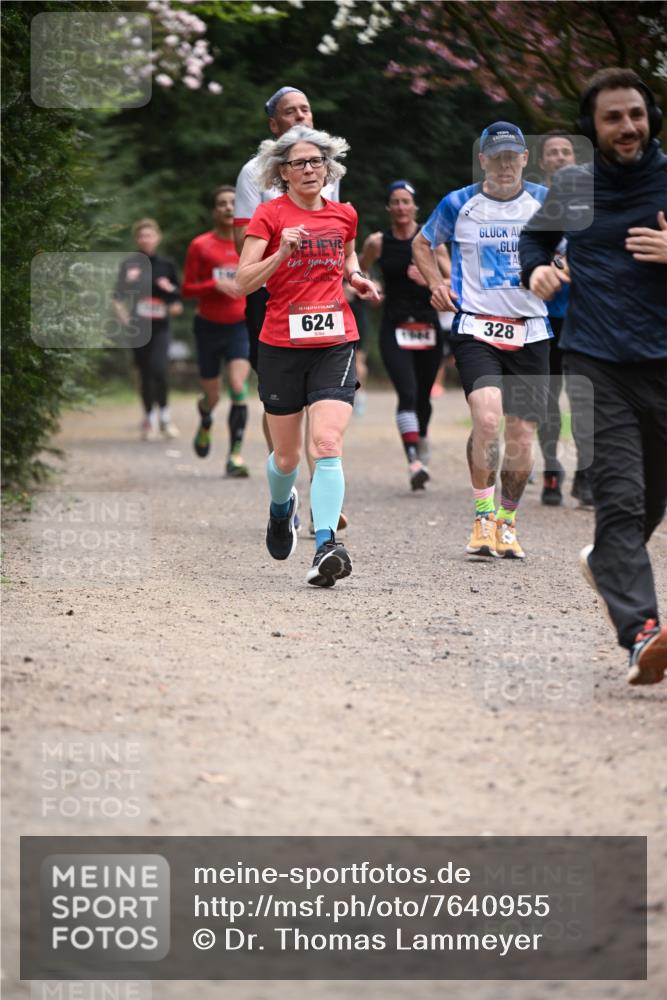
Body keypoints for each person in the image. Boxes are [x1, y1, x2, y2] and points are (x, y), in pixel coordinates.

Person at [520, 67, 667, 685]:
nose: (628, 126)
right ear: (592, 127)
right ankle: (642, 634)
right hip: (595, 358)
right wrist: (537, 273)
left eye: (636, 114)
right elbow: (534, 242)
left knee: (651, 499)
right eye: (613, 117)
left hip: (663, 362)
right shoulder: (575, 186)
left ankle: (607, 561)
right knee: (620, 495)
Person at [236, 125, 380, 587]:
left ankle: (325, 546)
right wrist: (281, 252)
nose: (310, 169)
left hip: (335, 339)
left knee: (326, 445)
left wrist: (356, 278)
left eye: (317, 161)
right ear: (283, 172)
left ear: (328, 168)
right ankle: (282, 510)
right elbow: (244, 281)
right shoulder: (268, 216)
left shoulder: (344, 215)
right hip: (280, 344)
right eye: (299, 163)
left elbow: (349, 258)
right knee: (285, 458)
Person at [412, 122, 552, 559]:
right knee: (488, 420)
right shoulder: (459, 203)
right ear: (484, 160)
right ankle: (483, 518)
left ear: (525, 159)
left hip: (531, 331)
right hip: (476, 327)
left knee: (522, 435)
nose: (506, 164)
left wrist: (560, 270)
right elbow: (421, 242)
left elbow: (579, 250)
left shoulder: (546, 203)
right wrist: (436, 282)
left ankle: (508, 522)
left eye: (514, 156)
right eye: (498, 157)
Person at [234, 85, 347, 530]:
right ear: (273, 125)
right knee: (282, 412)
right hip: (270, 294)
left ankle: (324, 488)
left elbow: (335, 233)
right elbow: (241, 244)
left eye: (306, 108)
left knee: (327, 421)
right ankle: (286, 480)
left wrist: (347, 275)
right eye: (290, 111)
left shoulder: (329, 171)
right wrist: (280, 262)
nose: (301, 115)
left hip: (320, 295)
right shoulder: (252, 174)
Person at [360, 180, 450, 489]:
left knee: (423, 397)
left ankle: (421, 439)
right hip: (394, 327)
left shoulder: (431, 240)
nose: (401, 207)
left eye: (406, 202)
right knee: (408, 393)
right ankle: (413, 460)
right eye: (395, 202)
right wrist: (371, 286)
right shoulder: (377, 242)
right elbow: (358, 271)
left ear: (415, 207)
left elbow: (452, 279)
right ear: (389, 207)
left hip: (427, 326)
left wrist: (429, 281)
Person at [535, 131, 593, 508]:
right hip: (543, 317)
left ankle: (587, 476)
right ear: (543, 162)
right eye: (552, 152)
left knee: (586, 396)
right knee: (547, 400)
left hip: (585, 315)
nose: (559, 156)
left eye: (565, 151)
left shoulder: (591, 202)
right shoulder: (532, 203)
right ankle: (552, 471)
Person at [183, 185, 250, 478]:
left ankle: (235, 456)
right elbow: (186, 288)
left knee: (237, 386)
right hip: (208, 326)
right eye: (222, 203)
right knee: (213, 396)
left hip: (240, 325)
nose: (227, 207)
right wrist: (214, 285)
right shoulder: (200, 245)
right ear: (214, 211)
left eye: (233, 203)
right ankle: (206, 416)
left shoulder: (250, 244)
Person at [112, 218, 182, 440]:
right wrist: (124, 317)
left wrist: (171, 307)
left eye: (149, 235)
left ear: (157, 238)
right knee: (144, 373)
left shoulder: (167, 265)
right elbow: (117, 297)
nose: (146, 239)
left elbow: (177, 302)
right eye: (141, 236)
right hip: (138, 327)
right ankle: (148, 418)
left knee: (159, 369)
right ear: (137, 239)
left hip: (161, 327)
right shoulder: (129, 264)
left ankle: (165, 417)